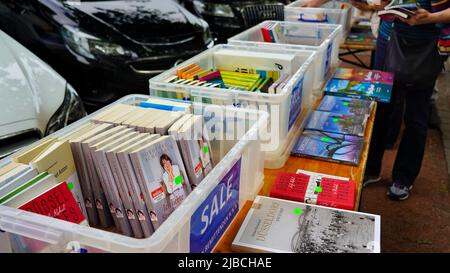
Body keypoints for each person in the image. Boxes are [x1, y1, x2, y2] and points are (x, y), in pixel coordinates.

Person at [363, 4, 447, 200]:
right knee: (381, 105)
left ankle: (404, 176)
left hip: (428, 43)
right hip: (388, 36)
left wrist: (431, 18)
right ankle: (371, 167)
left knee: (416, 115)